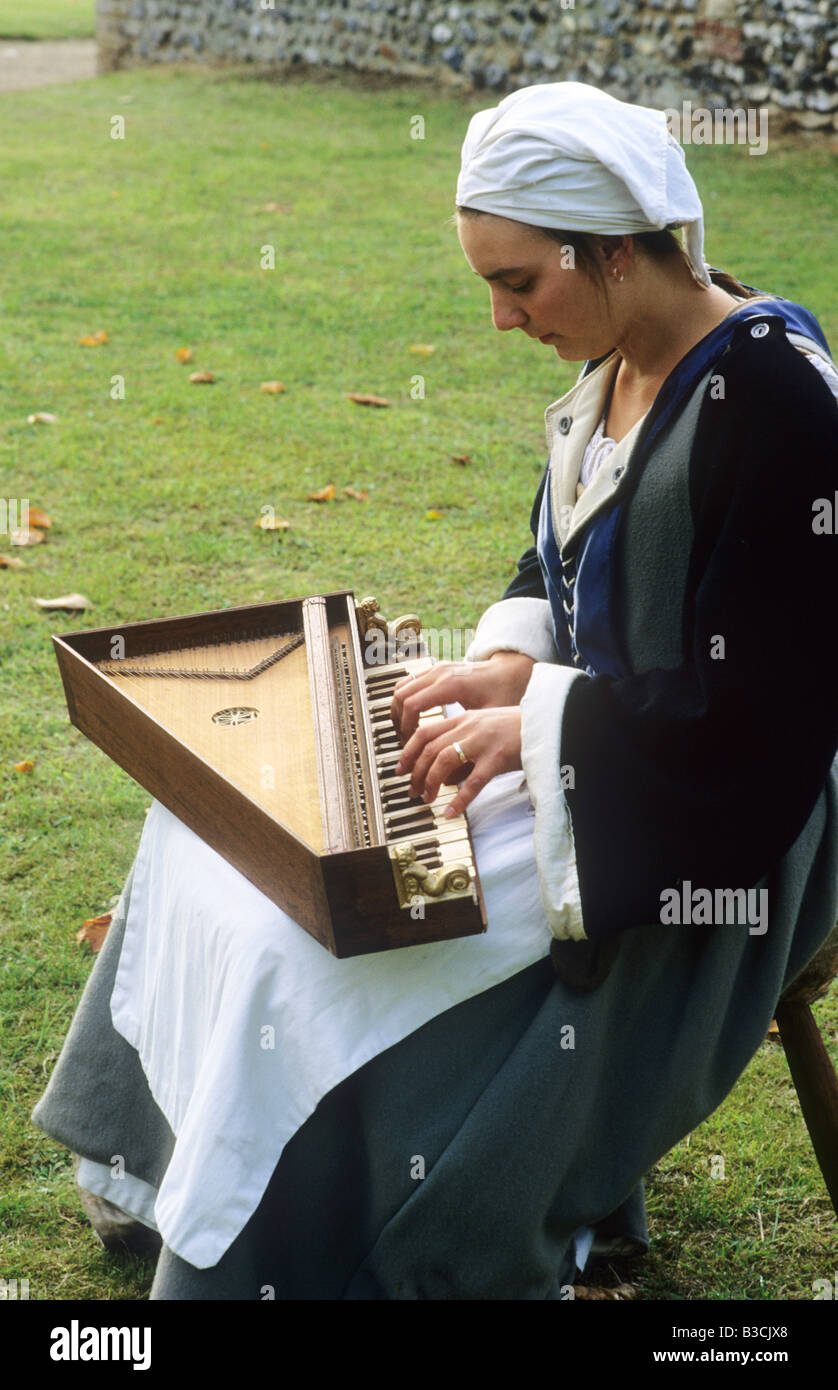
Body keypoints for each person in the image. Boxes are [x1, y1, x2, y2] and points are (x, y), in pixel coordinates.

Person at [33, 82, 838, 1301]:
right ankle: (170, 1166)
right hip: (604, 751)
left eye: (519, 284)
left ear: (615, 250)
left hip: (699, 820)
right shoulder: (623, 351)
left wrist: (539, 721)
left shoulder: (774, 405)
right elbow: (563, 557)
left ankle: (327, 1240)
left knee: (303, 955)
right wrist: (515, 659)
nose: (504, 320)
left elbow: (767, 726)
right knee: (213, 837)